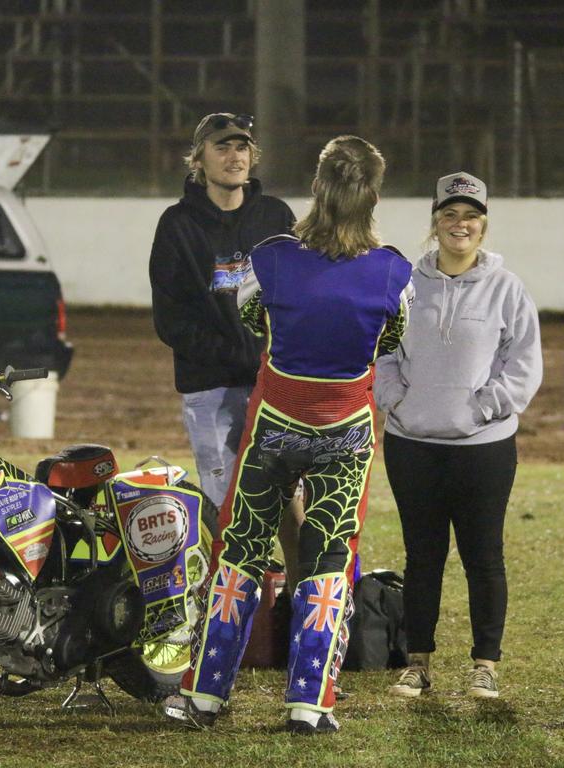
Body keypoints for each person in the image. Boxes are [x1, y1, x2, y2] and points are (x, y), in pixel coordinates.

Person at [166, 135, 414, 735]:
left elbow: (253, 318)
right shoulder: (392, 272)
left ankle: (204, 695)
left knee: (242, 548)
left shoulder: (272, 256)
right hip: (346, 429)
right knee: (329, 558)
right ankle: (310, 702)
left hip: (276, 421)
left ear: (317, 188)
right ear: (373, 196)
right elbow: (390, 339)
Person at [373, 171, 542, 700]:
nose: (459, 224)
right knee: (422, 556)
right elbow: (381, 351)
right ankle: (417, 663)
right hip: (412, 444)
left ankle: (485, 664)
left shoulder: (507, 288)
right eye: (450, 215)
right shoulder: (404, 284)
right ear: (435, 222)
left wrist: (484, 409)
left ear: (483, 225)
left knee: (483, 557)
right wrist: (398, 400)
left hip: (483, 449)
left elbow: (524, 364)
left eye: (470, 216)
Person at [148, 112, 304, 585]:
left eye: (242, 147)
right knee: (226, 504)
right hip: (210, 390)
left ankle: (296, 612)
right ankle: (234, 611)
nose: (234, 156)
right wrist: (236, 355)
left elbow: (299, 295)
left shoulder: (275, 217)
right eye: (222, 147)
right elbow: (171, 318)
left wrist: (274, 361)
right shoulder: (177, 224)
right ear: (198, 159)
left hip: (273, 386)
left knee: (287, 500)